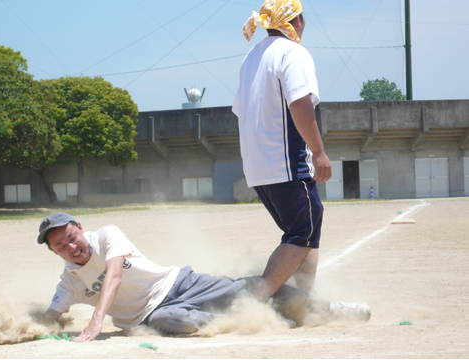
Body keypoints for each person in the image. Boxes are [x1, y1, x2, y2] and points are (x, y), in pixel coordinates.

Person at [38, 212, 370, 342]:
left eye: (71, 237)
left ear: (80, 228)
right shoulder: (68, 283)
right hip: (154, 315)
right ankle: (263, 319)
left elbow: (113, 275)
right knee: (178, 322)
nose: (70, 246)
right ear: (54, 253)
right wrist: (28, 326)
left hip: (180, 283)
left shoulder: (107, 235)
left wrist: (97, 320)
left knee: (252, 288)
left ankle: (330, 308)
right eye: (60, 246)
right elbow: (50, 318)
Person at [232, 0, 331, 300]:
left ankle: (304, 299)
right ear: (296, 21)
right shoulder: (293, 52)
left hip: (257, 168)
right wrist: (318, 152)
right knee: (301, 233)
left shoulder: (252, 57)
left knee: (307, 226)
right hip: (284, 163)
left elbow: (240, 110)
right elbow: (300, 104)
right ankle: (253, 303)